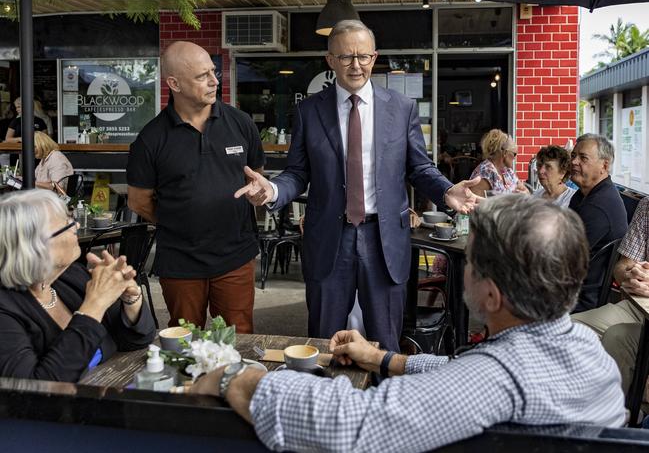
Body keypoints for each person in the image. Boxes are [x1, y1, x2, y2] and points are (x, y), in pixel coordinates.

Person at [191, 195, 626, 452]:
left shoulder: (495, 380)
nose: (465, 267)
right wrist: (384, 359)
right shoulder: (591, 352)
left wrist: (236, 377)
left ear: (492, 296)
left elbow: (347, 425)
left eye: (471, 260)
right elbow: (466, 373)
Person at [234, 20, 480, 351]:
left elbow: (419, 166)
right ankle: (325, 400)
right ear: (330, 60)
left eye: (363, 56)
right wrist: (273, 191)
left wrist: (446, 191)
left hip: (384, 240)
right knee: (322, 341)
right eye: (346, 56)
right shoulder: (308, 111)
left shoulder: (401, 108)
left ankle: (381, 398)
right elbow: (297, 173)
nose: (356, 65)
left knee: (385, 342)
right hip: (328, 241)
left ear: (374, 57)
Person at [127, 41, 264, 333]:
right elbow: (138, 201)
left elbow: (256, 178)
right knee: (184, 341)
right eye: (203, 76)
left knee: (238, 337)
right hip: (180, 261)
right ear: (173, 83)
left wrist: (258, 195)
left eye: (213, 72)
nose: (215, 80)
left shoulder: (240, 123)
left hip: (235, 255)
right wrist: (181, 222)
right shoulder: (151, 138)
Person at [0, 190, 155, 381]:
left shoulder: (71, 276)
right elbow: (35, 389)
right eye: (68, 224)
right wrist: (94, 305)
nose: (77, 226)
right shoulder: (5, 309)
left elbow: (137, 340)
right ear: (36, 246)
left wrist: (130, 300)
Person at [573, 196, 649, 396]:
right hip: (636, 307)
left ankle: (618, 415)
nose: (574, 162)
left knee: (618, 338)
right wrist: (632, 274)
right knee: (569, 328)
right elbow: (622, 266)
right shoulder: (647, 205)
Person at [569, 133, 627, 312]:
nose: (574, 162)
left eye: (583, 158)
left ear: (605, 165)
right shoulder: (583, 195)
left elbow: (562, 258)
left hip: (577, 300)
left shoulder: (599, 205)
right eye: (573, 156)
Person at [470, 128, 528, 196]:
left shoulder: (508, 171)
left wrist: (524, 194)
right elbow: (475, 203)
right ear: (505, 153)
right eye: (514, 154)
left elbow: (525, 190)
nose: (515, 158)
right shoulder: (485, 173)